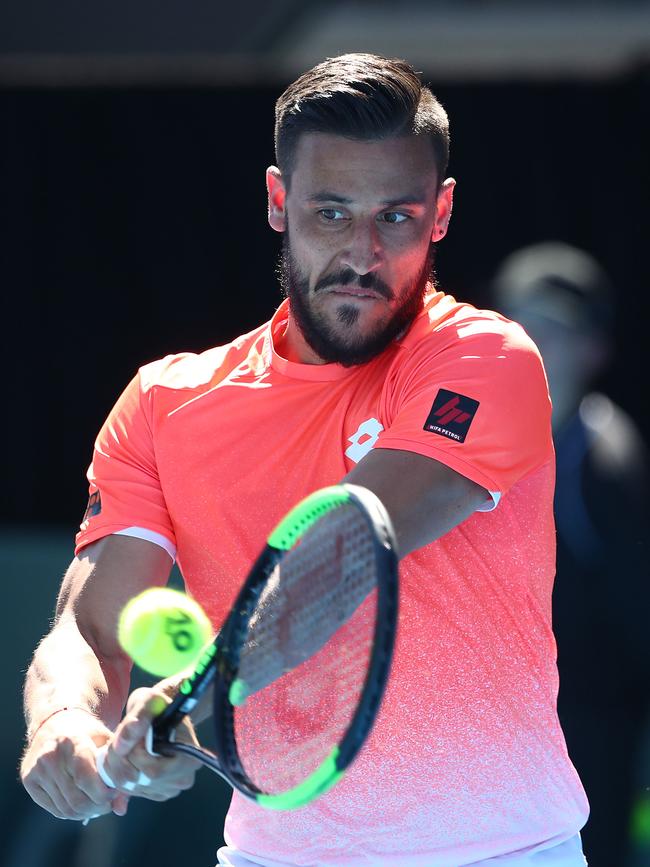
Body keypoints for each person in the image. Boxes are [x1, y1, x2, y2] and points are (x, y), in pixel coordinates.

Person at [20, 54, 590, 866]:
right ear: (278, 202)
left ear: (442, 214)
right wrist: (64, 719)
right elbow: (89, 625)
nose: (363, 251)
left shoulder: (486, 359)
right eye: (331, 213)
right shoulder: (163, 402)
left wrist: (194, 697)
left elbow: (340, 556)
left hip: (506, 851)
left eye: (397, 216)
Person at [491, 242, 650, 867]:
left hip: (585, 744)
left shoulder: (606, 466)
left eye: (556, 331)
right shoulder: (463, 438)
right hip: (499, 732)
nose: (535, 346)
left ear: (596, 351)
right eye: (521, 326)